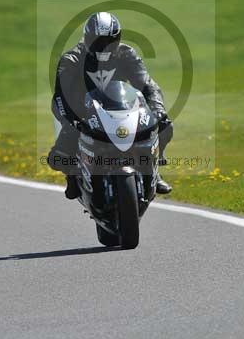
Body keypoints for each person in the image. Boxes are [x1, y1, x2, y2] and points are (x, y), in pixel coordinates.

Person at [49, 12, 173, 199]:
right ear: (87, 38)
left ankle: (154, 171)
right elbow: (61, 97)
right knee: (58, 156)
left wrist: (158, 110)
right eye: (99, 42)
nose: (104, 47)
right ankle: (73, 175)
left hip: (118, 107)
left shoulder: (127, 54)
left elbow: (148, 85)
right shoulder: (71, 59)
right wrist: (72, 120)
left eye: (110, 41)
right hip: (79, 110)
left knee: (165, 126)